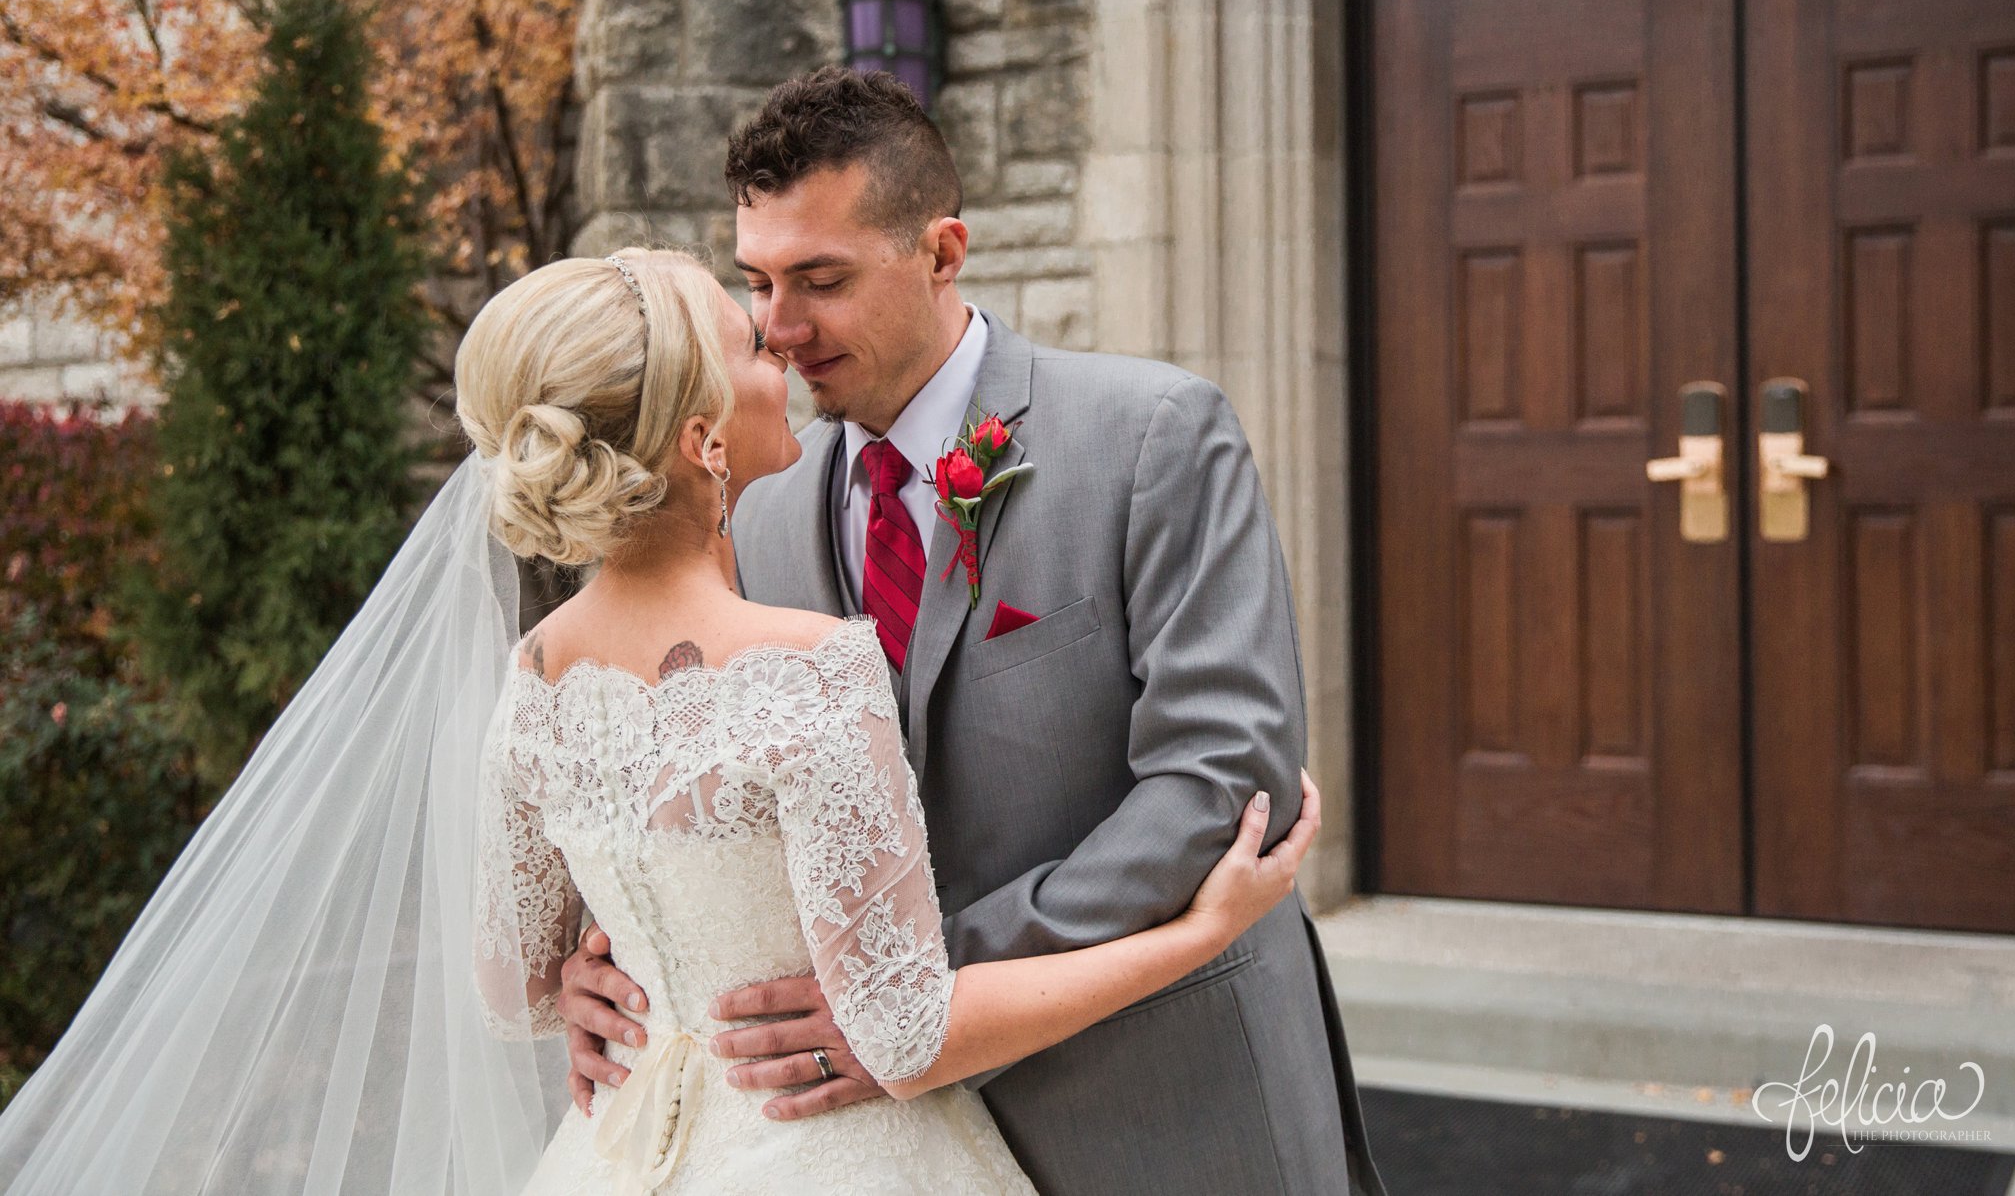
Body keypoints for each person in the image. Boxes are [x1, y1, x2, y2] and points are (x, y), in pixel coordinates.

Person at [0, 244, 1315, 1194]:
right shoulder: (806, 668)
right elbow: (904, 1034)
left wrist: (597, 984)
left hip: (623, 1149)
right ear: (701, 438)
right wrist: (1196, 933)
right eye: (748, 343)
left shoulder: (537, 677)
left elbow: (513, 983)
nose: (779, 345)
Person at [558, 68, 1389, 1195]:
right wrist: (613, 961)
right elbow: (698, 786)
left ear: (942, 252)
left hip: (1164, 1096)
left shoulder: (1152, 437)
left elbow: (1220, 780)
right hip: (879, 1138)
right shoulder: (754, 510)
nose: (779, 327)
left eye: (821, 279)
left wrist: (920, 978)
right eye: (756, 282)